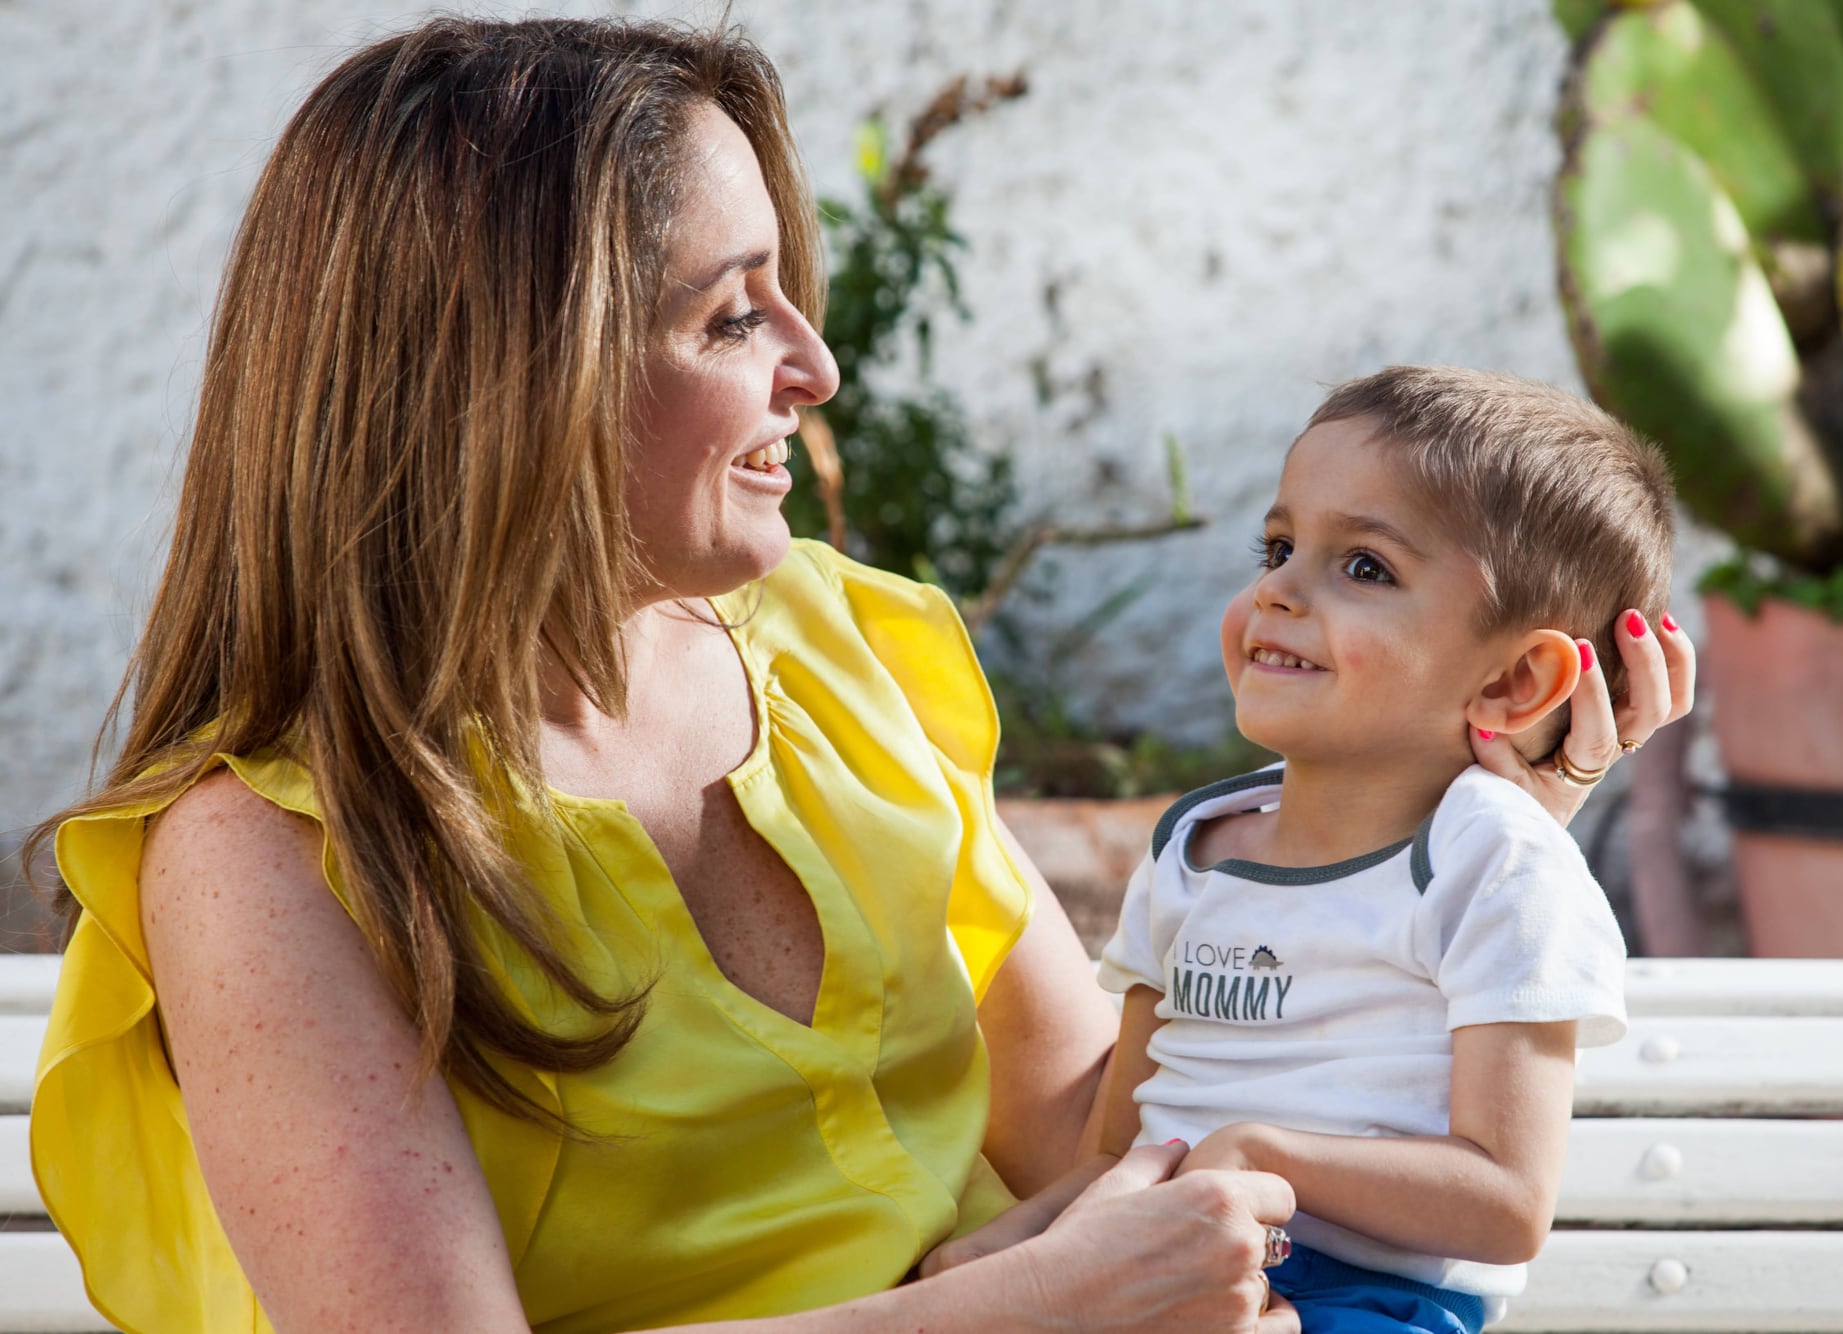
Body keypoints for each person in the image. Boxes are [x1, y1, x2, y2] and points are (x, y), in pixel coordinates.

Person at [23, 20, 1692, 1334]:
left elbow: (1108, 1139)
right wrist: (1013, 1311)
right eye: (730, 318)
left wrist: (1448, 829)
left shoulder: (834, 652)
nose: (814, 366)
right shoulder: (270, 856)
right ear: (502, 376)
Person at [934, 367, 1682, 1332]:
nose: (1278, 591)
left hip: (1372, 1304)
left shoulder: (1499, 869)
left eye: (1364, 566)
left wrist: (1262, 1156)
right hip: (1152, 1265)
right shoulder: (1192, 850)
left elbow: (1506, 1204)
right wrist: (995, 1255)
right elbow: (1112, 1156)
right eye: (1279, 546)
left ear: (1517, 679)